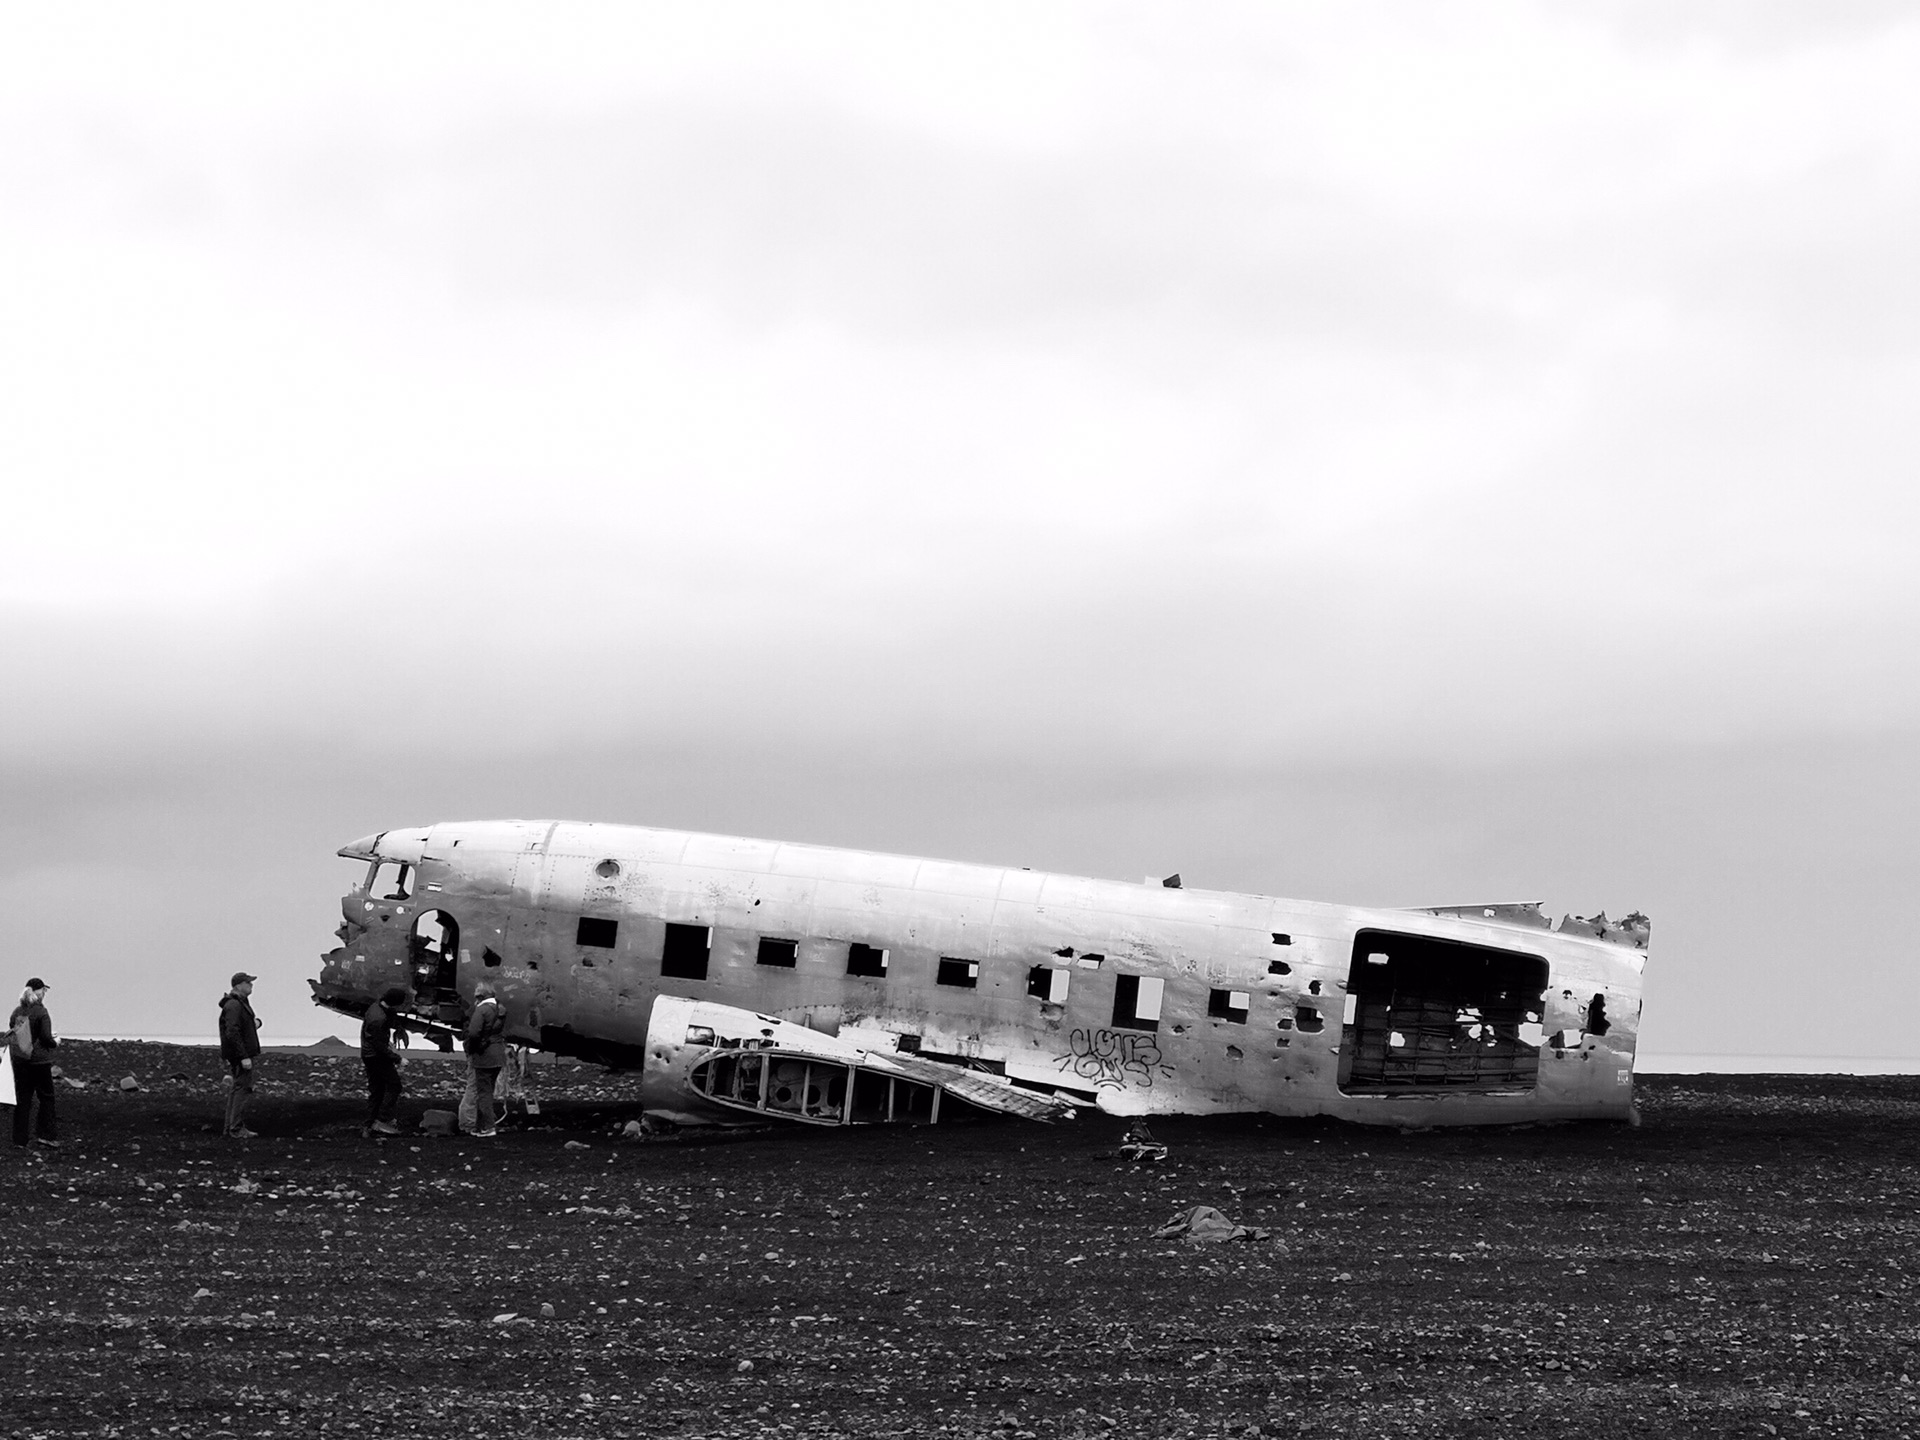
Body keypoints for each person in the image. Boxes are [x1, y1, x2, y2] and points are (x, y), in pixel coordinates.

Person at [9, 979, 61, 1149]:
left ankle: (19, 1139)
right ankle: (46, 1135)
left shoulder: (17, 1011)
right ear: (39, 992)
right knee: (46, 1097)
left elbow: (13, 1029)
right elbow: (46, 1037)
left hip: (21, 1060)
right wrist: (55, 1042)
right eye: (44, 991)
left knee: (23, 1099)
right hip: (39, 1061)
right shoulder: (41, 1012)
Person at [218, 972, 263, 1139]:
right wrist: (243, 1056)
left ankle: (230, 1128)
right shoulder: (234, 1005)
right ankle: (235, 1128)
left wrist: (253, 1025)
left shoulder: (237, 1004)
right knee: (242, 1089)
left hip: (239, 1053)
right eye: (247, 982)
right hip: (240, 1055)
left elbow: (237, 1027)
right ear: (238, 986)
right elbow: (232, 1031)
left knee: (237, 1088)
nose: (251, 985)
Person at [360, 987, 409, 1137]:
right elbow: (378, 1045)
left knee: (377, 1090)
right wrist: (398, 1059)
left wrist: (398, 1027)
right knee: (394, 1085)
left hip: (369, 1055)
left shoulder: (376, 1008)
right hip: (376, 1056)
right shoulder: (378, 1019)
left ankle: (369, 1125)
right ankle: (382, 1120)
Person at [462, 983, 506, 1138]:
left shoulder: (481, 1010)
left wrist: (472, 1049)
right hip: (498, 1054)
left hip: (484, 1056)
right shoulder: (500, 1009)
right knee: (488, 1090)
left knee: (483, 1093)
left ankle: (487, 1127)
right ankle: (481, 1127)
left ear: (480, 997)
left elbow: (473, 1033)